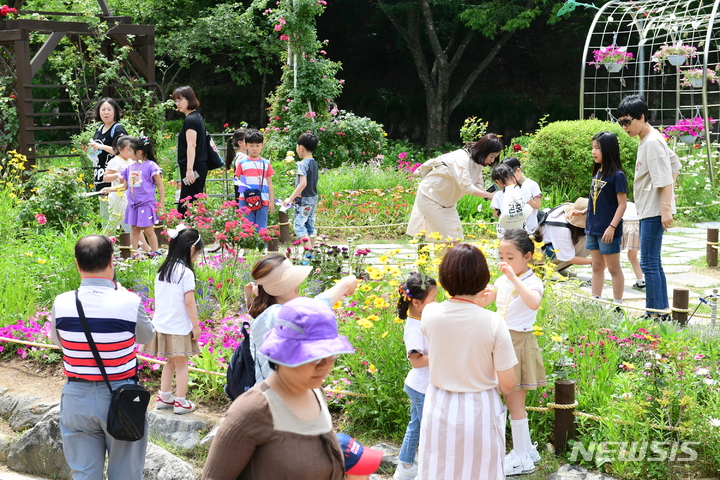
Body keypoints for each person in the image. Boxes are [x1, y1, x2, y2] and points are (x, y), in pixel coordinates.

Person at [203, 297, 354, 479]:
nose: (324, 365)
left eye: (330, 355)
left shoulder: (315, 392)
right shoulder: (252, 409)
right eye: (313, 356)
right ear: (284, 352)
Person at [50, 234, 155, 480]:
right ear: (112, 261)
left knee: (84, 474)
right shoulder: (130, 301)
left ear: (77, 264)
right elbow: (146, 336)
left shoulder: (62, 302)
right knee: (126, 474)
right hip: (122, 397)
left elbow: (59, 341)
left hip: (77, 397)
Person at [418, 244, 518, 479]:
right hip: (480, 407)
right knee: (482, 471)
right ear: (483, 278)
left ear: (444, 278)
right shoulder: (493, 322)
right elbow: (507, 384)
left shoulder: (430, 314)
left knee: (438, 470)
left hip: (440, 404)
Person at [482, 229, 546, 476]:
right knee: (510, 401)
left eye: (510, 257)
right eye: (501, 256)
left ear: (527, 257)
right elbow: (486, 301)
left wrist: (513, 277)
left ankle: (521, 458)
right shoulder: (502, 280)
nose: (504, 262)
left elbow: (533, 302)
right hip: (500, 341)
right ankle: (526, 450)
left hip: (519, 342)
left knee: (515, 402)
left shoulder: (532, 281)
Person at [243, 254, 358, 384]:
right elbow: (312, 310)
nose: (297, 285)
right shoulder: (273, 315)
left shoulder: (270, 313)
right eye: (290, 281)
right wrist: (345, 284)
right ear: (276, 288)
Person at [617, 95, 681, 320]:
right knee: (653, 261)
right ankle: (660, 311)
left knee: (648, 262)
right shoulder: (649, 138)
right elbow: (675, 163)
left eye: (627, 121)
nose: (625, 127)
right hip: (650, 208)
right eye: (621, 122)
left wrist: (665, 207)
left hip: (654, 210)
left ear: (641, 117)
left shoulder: (652, 142)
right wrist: (668, 202)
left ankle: (655, 313)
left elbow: (664, 178)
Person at [139, 227, 203, 414]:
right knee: (182, 364)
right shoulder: (186, 273)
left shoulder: (162, 270)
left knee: (170, 362)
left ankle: (164, 397)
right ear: (191, 249)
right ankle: (181, 402)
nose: (197, 257)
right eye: (198, 253)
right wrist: (196, 326)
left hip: (162, 324)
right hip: (179, 327)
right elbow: (189, 303)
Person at [407, 133, 502, 244]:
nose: (492, 160)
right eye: (492, 156)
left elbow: (476, 185)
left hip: (448, 203)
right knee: (443, 239)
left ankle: (448, 261)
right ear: (485, 150)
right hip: (430, 197)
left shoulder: (478, 162)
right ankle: (436, 261)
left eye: (495, 157)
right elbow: (467, 187)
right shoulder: (461, 158)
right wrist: (489, 195)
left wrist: (490, 194)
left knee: (456, 237)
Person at [571, 132, 627, 304]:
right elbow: (598, 198)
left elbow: (622, 204)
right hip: (592, 227)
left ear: (608, 150)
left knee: (613, 268)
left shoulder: (618, 175)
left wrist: (611, 227)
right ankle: (595, 301)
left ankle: (617, 304)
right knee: (596, 266)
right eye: (593, 148)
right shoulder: (597, 173)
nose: (593, 152)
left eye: (598, 148)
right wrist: (585, 211)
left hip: (607, 230)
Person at [393, 273, 437, 480]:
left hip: (422, 385)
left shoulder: (422, 318)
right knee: (422, 427)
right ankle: (407, 466)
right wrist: (442, 353)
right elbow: (416, 362)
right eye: (434, 299)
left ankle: (407, 465)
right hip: (421, 387)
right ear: (417, 302)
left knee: (417, 425)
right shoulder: (413, 328)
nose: (437, 303)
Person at [102, 137, 165, 255]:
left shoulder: (151, 166)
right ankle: (134, 255)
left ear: (139, 152)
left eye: (131, 150)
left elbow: (160, 185)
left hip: (146, 204)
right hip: (133, 205)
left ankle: (155, 254)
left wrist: (161, 202)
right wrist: (110, 189)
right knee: (134, 230)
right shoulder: (129, 168)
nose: (129, 153)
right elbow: (125, 186)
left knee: (148, 230)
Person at [87, 98, 128, 222]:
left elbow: (125, 151)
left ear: (115, 111)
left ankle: (133, 239)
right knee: (105, 214)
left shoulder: (118, 129)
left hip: (114, 177)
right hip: (100, 176)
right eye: (103, 109)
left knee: (120, 213)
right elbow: (97, 154)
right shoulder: (99, 129)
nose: (106, 112)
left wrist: (103, 147)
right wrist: (89, 151)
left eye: (109, 109)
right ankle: (109, 240)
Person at [173, 86, 208, 214]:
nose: (177, 104)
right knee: (192, 201)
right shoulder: (197, 117)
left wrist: (189, 170)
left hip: (193, 168)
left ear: (189, 99)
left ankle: (188, 232)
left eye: (180, 100)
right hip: (197, 166)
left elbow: (192, 145)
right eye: (176, 101)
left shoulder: (190, 120)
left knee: (187, 203)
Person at [283, 132, 320, 249]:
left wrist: (291, 198)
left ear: (301, 148)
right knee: (310, 226)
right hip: (313, 199)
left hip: (304, 200)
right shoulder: (314, 163)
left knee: (299, 226)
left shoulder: (303, 164)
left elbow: (303, 183)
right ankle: (315, 255)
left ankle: (308, 255)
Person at [235, 129, 275, 231]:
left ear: (262, 145)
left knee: (262, 228)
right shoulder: (242, 163)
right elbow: (239, 181)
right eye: (251, 145)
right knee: (247, 227)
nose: (254, 149)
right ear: (245, 145)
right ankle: (247, 247)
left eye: (257, 145)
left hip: (263, 200)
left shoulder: (266, 163)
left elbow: (270, 183)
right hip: (245, 200)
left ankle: (263, 247)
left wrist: (272, 201)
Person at [538, 198, 591, 273]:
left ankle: (558, 267)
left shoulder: (566, 210)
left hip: (550, 243)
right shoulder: (561, 228)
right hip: (540, 252)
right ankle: (548, 270)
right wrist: (594, 261)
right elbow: (569, 258)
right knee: (586, 243)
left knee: (589, 241)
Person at [490, 163, 532, 238]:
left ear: (498, 181)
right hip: (522, 231)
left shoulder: (498, 195)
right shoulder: (524, 190)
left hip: (505, 233)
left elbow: (496, 215)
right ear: (512, 176)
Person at [103, 135, 134, 234]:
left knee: (114, 224)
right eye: (128, 150)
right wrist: (117, 175)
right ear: (120, 149)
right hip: (119, 197)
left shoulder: (130, 160)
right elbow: (105, 177)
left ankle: (101, 243)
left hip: (128, 195)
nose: (130, 152)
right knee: (115, 224)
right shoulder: (115, 161)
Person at [502, 156, 543, 232]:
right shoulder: (507, 186)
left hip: (530, 227)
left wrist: (524, 197)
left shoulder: (531, 184)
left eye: (510, 176)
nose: (509, 179)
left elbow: (537, 205)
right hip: (512, 228)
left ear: (518, 170)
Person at [622, 201, 645, 289]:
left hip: (624, 225)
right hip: (638, 226)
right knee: (632, 256)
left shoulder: (617, 203)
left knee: (611, 254)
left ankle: (595, 278)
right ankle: (640, 280)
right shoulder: (632, 204)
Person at [227, 128, 248, 204]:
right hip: (243, 191)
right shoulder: (242, 157)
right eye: (248, 140)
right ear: (240, 143)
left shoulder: (240, 156)